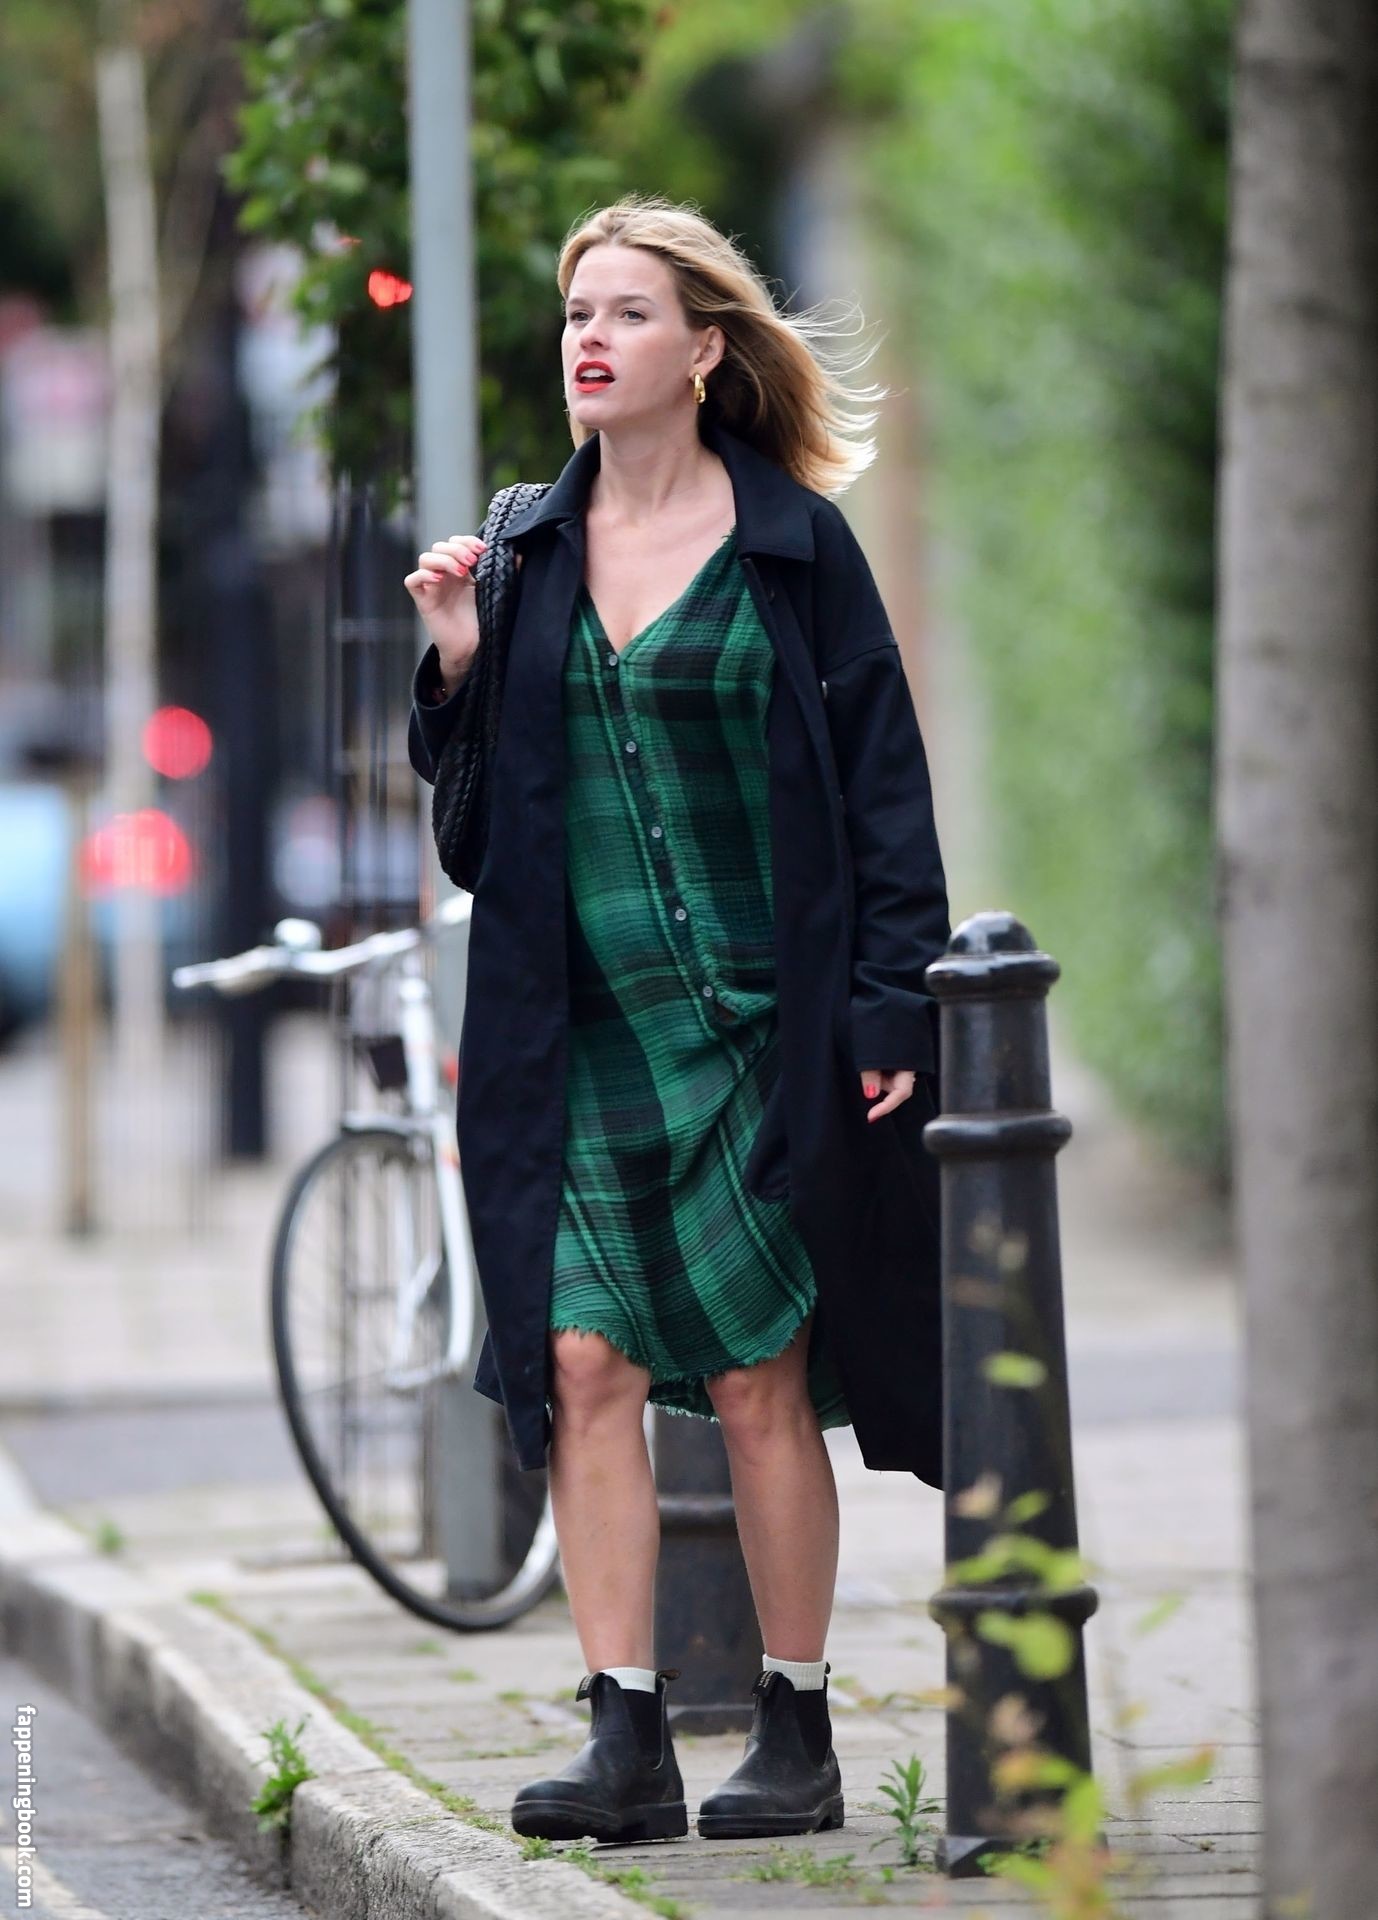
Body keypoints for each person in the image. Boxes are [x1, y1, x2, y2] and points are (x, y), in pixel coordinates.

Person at [405, 193, 950, 1847]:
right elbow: (476, 839)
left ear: (704, 350)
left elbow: (884, 796)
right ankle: (624, 1734)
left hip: (761, 1032)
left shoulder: (793, 547)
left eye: (628, 312)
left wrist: (889, 1009)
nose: (590, 337)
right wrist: (456, 668)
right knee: (578, 1361)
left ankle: (795, 1726)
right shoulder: (523, 554)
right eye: (579, 311)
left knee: (758, 1374)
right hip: (579, 1036)